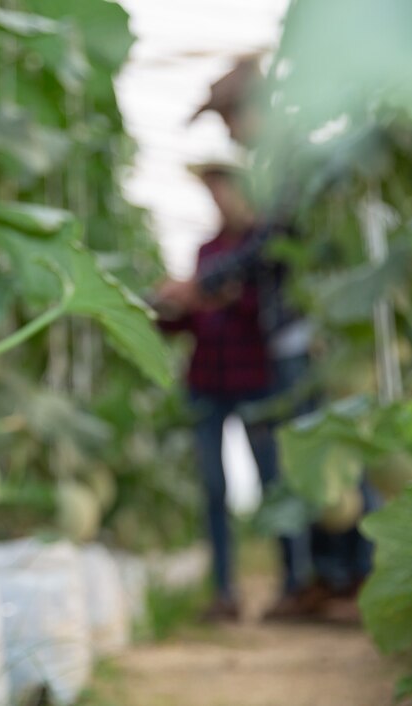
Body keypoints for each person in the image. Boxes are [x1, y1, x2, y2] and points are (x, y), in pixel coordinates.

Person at [162, 56, 372, 622]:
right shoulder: (278, 166)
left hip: (308, 340)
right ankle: (329, 580)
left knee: (331, 465)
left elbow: (275, 238)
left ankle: (350, 577)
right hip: (282, 346)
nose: (229, 133)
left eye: (230, 119)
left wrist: (211, 283)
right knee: (311, 469)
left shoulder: (290, 161)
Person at [156, 164, 305, 620]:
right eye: (212, 192)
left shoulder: (261, 251)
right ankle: (224, 592)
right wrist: (170, 307)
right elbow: (187, 316)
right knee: (213, 489)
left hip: (255, 381)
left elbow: (257, 306)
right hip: (206, 384)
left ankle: (294, 586)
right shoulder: (206, 252)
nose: (219, 200)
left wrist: (207, 294)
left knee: (272, 482)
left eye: (223, 190)